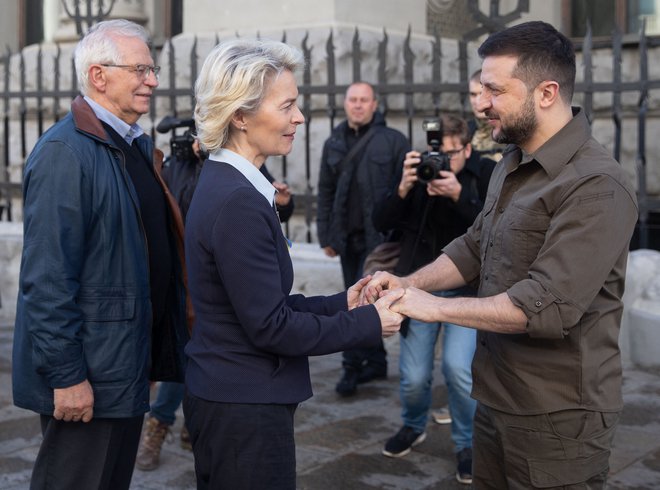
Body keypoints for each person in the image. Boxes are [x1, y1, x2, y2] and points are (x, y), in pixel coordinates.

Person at [362, 21, 638, 489]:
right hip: (494, 395)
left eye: (494, 90)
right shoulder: (512, 161)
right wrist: (408, 283)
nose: (481, 103)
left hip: (556, 418)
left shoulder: (596, 185)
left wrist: (431, 308)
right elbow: (473, 247)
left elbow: (544, 305)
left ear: (546, 93)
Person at [182, 39, 404, 490]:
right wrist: (367, 323)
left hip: (234, 398)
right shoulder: (238, 201)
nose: (299, 118)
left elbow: (264, 304)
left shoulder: (232, 184)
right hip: (243, 410)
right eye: (288, 106)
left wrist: (344, 302)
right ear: (240, 116)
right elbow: (272, 328)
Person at [12, 19, 190, 490]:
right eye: (141, 69)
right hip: (87, 376)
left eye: (151, 69)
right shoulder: (63, 153)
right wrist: (67, 375)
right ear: (98, 75)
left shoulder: (133, 145)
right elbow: (47, 280)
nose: (152, 80)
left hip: (124, 365)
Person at [136, 140, 295, 471]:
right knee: (186, 352)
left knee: (201, 350)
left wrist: (283, 203)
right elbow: (177, 209)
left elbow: (262, 210)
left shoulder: (243, 160)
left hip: (220, 276)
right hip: (184, 276)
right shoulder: (181, 163)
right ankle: (159, 425)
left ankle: (188, 426)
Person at [374, 114, 495, 485]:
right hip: (417, 285)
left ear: (468, 148)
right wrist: (404, 186)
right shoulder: (418, 173)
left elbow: (494, 231)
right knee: (413, 377)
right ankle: (413, 425)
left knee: (459, 371)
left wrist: (458, 195)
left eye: (450, 154)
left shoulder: (487, 173)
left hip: (467, 291)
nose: (441, 160)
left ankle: (467, 444)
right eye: (436, 152)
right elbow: (381, 220)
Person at [316, 81, 410, 396]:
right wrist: (325, 234)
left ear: (374, 104)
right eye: (353, 99)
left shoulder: (394, 141)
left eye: (364, 100)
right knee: (353, 299)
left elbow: (404, 194)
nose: (358, 105)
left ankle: (351, 368)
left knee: (360, 305)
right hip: (346, 239)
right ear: (345, 103)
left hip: (378, 241)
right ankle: (376, 363)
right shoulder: (334, 142)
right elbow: (325, 191)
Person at [467, 69, 506, 161]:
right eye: (473, 94)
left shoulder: (510, 129)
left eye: (481, 93)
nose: (477, 101)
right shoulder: (465, 130)